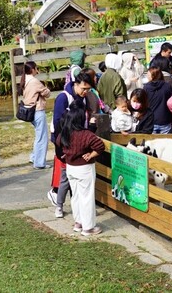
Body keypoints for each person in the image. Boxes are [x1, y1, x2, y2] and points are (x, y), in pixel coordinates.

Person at [48, 73, 93, 218]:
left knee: (75, 178)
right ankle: (58, 204)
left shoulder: (83, 98)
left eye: (88, 89)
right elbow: (57, 123)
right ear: (76, 84)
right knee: (65, 178)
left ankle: (78, 208)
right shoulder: (63, 98)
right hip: (64, 142)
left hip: (78, 143)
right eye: (83, 88)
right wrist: (61, 146)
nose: (85, 92)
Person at [57, 106, 105, 236]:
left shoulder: (65, 133)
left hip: (70, 168)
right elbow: (100, 146)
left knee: (76, 196)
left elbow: (58, 143)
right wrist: (91, 155)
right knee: (87, 197)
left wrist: (67, 153)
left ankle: (78, 222)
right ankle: (88, 228)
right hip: (84, 169)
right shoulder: (86, 134)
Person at [21, 61, 51, 169]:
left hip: (29, 111)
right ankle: (39, 163)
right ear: (33, 69)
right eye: (36, 68)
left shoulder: (25, 80)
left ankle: (34, 157)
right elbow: (47, 93)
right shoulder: (34, 81)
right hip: (38, 111)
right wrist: (46, 88)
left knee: (38, 136)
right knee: (42, 138)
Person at [143, 62, 172, 134]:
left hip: (151, 120)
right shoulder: (167, 86)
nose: (147, 76)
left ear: (153, 75)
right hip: (165, 119)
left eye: (148, 74)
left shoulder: (146, 87)